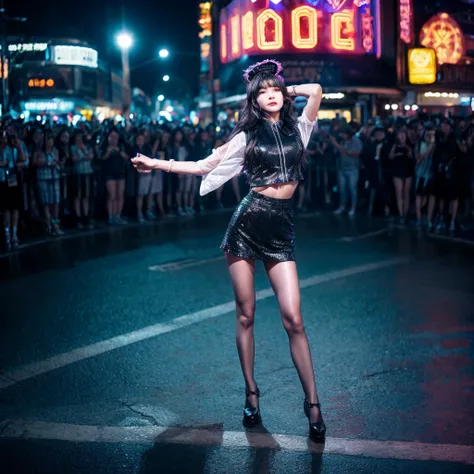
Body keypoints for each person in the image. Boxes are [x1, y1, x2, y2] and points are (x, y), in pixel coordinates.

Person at [131, 60, 326, 443]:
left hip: (281, 226)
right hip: (247, 223)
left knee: (294, 319)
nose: (271, 95)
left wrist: (283, 89)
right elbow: (205, 165)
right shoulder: (246, 136)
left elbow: (317, 90)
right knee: (246, 315)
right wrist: (156, 163)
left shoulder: (300, 127)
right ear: (254, 100)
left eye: (275, 90)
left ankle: (314, 404)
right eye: (262, 91)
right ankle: (252, 393)